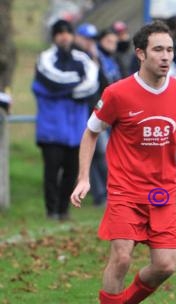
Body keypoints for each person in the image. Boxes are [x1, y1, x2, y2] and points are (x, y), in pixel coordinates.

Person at [70, 20, 176, 304]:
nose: (166, 57)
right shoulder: (118, 93)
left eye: (170, 50)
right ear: (140, 53)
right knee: (120, 257)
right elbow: (91, 132)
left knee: (165, 265)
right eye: (158, 50)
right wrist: (83, 178)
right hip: (124, 190)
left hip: (162, 193)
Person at [32, 19, 99, 221]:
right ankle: (51, 211)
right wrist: (75, 87)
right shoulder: (45, 59)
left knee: (71, 174)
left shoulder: (82, 59)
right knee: (51, 174)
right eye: (60, 32)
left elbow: (91, 86)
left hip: (76, 131)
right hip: (51, 130)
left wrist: (65, 89)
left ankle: (64, 210)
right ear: (54, 36)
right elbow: (46, 85)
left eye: (67, 32)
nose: (64, 36)